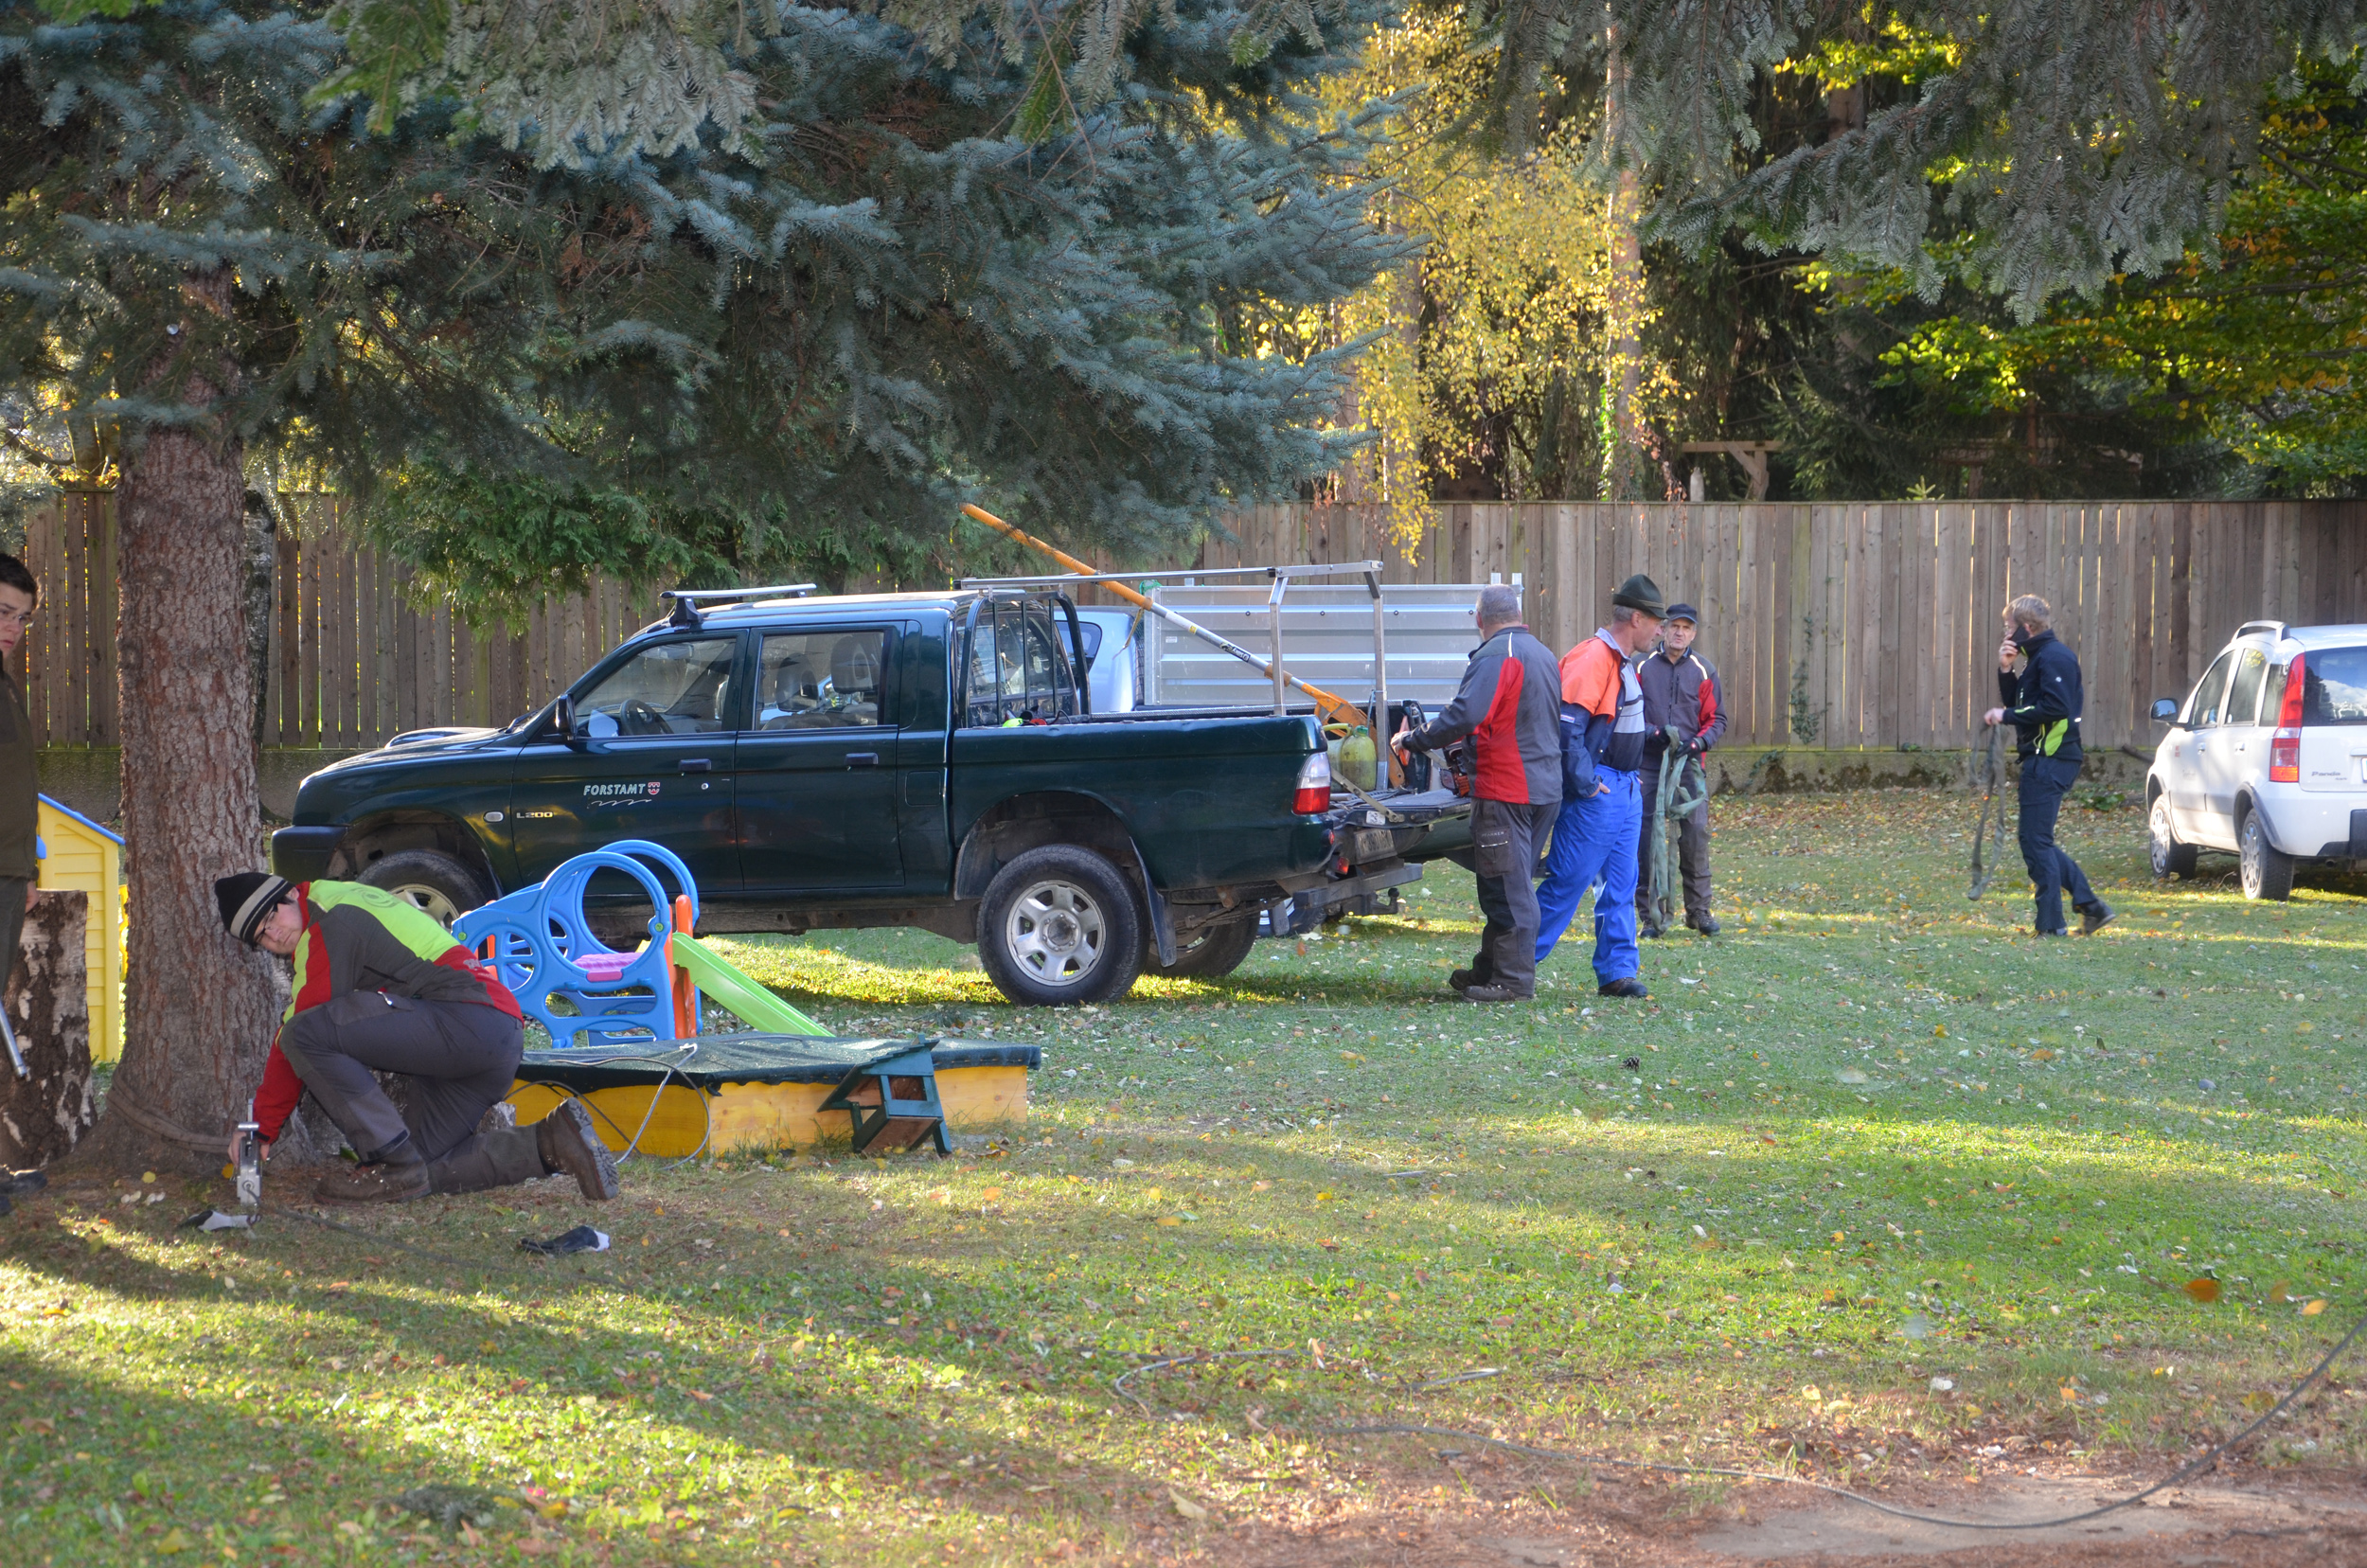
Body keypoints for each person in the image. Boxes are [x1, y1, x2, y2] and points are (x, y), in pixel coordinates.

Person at [214, 872, 620, 1203]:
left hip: (466, 1020)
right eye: (261, 938)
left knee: (304, 1032)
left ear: (287, 894)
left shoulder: (329, 918)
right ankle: (551, 1142)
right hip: (494, 1037)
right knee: (420, 1171)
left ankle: (389, 1159)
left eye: (271, 920)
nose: (274, 937)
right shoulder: (341, 897)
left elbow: (297, 1032)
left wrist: (261, 1129)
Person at [1390, 583, 1562, 1003]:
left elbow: (1466, 714)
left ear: (1479, 619)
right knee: (1506, 881)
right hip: (1543, 789)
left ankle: (1513, 982)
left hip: (1508, 790)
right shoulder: (1543, 654)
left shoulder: (1495, 655)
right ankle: (1488, 970)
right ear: (1519, 615)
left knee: (1506, 887)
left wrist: (1414, 740)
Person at [1535, 574, 1662, 999]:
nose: (1662, 630)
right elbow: (1566, 728)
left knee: (1622, 884)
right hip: (1600, 789)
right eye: (1657, 621)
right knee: (1568, 880)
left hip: (1624, 787)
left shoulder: (1622, 662)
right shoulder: (1594, 658)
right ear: (1637, 619)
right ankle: (1513, 964)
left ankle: (1617, 972)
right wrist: (1588, 786)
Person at [1981, 595, 2114, 937]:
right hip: (2043, 758)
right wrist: (2007, 670)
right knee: (2037, 840)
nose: (2007, 634)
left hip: (2051, 759)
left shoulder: (2055, 658)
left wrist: (2004, 715)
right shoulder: (2037, 658)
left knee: (2035, 841)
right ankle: (2091, 907)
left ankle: (2052, 925)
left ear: (2026, 627)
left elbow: (2054, 707)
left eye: (2010, 628)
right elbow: (2021, 704)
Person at [1634, 603, 1726, 937]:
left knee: (1695, 835)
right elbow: (1626, 713)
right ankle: (1651, 916)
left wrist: (1698, 744)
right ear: (1663, 628)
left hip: (1689, 768)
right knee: (1648, 841)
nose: (1679, 633)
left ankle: (1698, 911)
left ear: (1694, 633)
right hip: (1648, 764)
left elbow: (1717, 719)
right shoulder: (1640, 665)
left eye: (1687, 628)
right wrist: (1652, 734)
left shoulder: (1703, 670)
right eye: (1674, 626)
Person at [0, 555, 38, 997]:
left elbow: (15, 784)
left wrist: (27, 871)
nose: (14, 627)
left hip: (9, 871)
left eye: (22, 618)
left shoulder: (6, 685)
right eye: (4, 613)